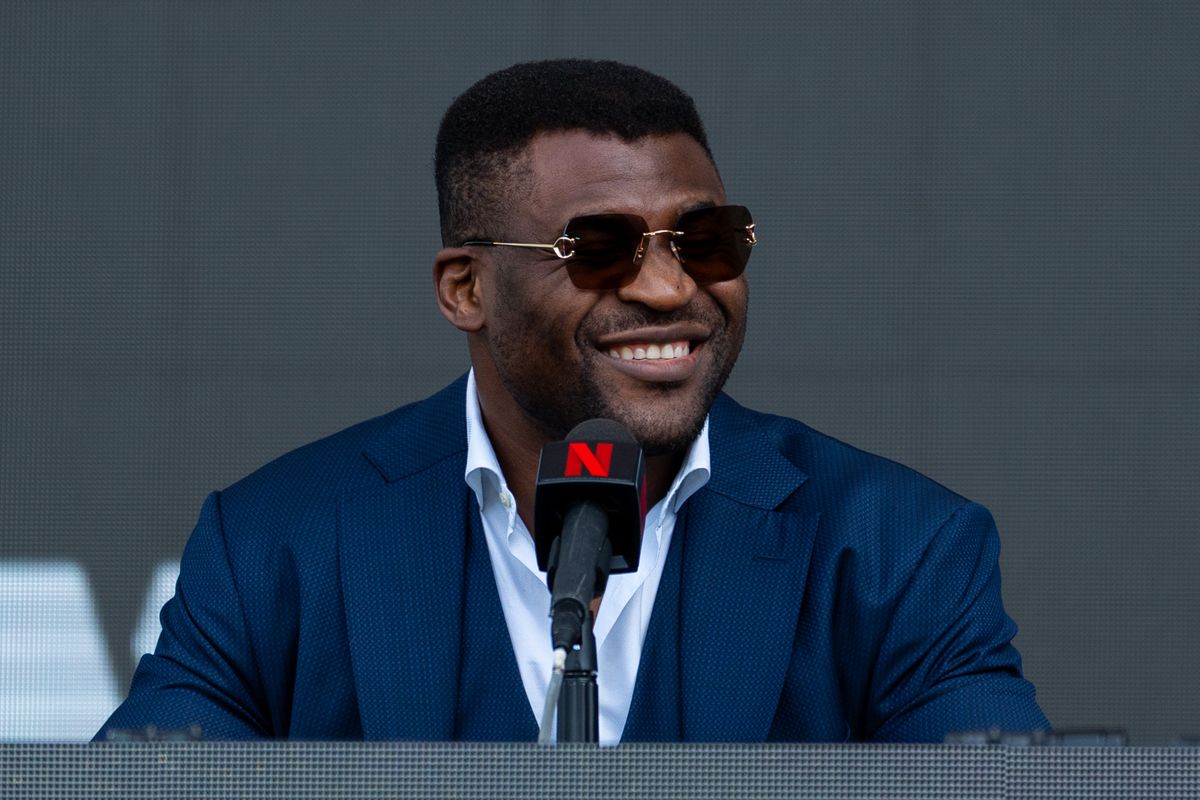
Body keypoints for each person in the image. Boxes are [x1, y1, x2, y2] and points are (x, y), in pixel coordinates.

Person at [97, 59, 1049, 744]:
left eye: (705, 240)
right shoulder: (275, 541)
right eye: (599, 249)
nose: (672, 291)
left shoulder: (901, 544)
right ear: (466, 288)